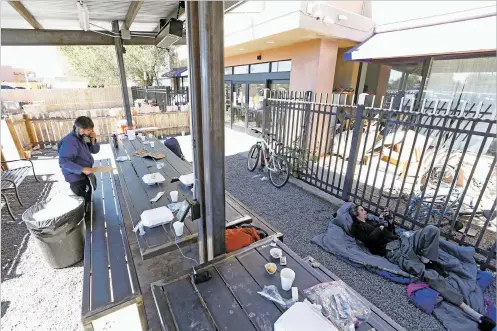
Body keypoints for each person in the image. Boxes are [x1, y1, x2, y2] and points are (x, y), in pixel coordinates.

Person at [350, 204, 496, 331]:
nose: (365, 211)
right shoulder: (357, 228)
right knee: (430, 275)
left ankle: (426, 258)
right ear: (356, 215)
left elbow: (392, 233)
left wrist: (389, 221)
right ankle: (471, 312)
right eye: (362, 210)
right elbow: (371, 241)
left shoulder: (372, 221)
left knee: (431, 230)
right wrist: (381, 226)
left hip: (403, 242)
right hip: (394, 252)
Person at [58, 116, 99, 203]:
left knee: (89, 197)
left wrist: (93, 140)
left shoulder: (84, 136)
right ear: (76, 127)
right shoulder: (70, 141)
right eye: (83, 130)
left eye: (88, 130)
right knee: (82, 201)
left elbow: (94, 151)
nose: (85, 132)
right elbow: (63, 162)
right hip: (75, 177)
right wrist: (82, 169)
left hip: (85, 174)